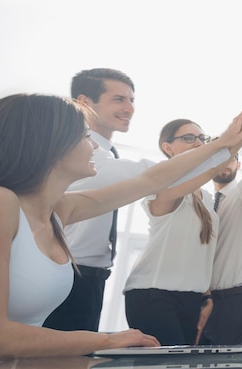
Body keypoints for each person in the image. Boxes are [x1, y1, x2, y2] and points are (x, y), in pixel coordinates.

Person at [0, 93, 242, 369]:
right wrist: (105, 340)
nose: (93, 145)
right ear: (50, 146)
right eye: (83, 135)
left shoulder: (59, 210)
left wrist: (228, 144)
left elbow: (150, 182)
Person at [123, 115, 242, 345]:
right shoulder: (161, 183)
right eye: (189, 138)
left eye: (201, 138)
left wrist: (206, 296)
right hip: (154, 295)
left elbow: (200, 252)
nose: (198, 143)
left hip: (192, 299)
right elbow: (209, 168)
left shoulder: (205, 197)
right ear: (167, 147)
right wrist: (241, 132)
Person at [43, 68, 153, 333]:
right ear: (84, 102)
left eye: (131, 100)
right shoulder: (74, 149)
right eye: (119, 99)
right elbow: (148, 176)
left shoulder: (107, 153)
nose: (129, 108)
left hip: (92, 278)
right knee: (58, 368)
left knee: (76, 366)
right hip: (68, 275)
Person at [200, 145, 242, 345]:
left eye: (230, 158)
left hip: (234, 302)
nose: (224, 163)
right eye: (217, 158)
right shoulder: (204, 203)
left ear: (239, 163)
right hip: (199, 300)